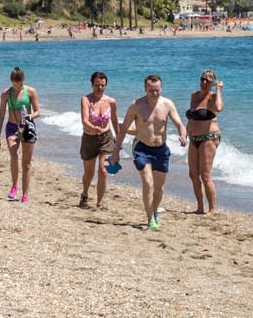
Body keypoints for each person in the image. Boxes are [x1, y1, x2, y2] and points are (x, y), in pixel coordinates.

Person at [117, 75, 186, 230]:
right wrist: (116, 151)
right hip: (142, 148)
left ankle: (155, 211)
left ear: (161, 88)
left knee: (159, 188)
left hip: (161, 150)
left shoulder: (167, 104)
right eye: (151, 90)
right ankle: (150, 220)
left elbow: (180, 124)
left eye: (157, 90)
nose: (154, 93)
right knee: (148, 183)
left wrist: (183, 135)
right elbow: (123, 129)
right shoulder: (136, 105)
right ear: (145, 89)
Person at [0, 67, 40, 203]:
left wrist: (29, 116)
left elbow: (38, 112)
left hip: (27, 128)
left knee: (26, 163)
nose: (17, 87)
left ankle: (25, 194)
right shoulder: (6, 94)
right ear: (11, 81)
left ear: (23, 81)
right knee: (13, 155)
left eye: (19, 85)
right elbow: (1, 116)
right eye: (14, 85)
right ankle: (14, 186)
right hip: (12, 127)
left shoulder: (30, 92)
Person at [77, 71, 118, 210]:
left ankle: (100, 202)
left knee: (104, 170)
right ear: (92, 84)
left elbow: (114, 120)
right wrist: (93, 128)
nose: (100, 88)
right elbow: (84, 120)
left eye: (102, 85)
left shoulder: (111, 102)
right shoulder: (86, 99)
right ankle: (84, 194)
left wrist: (119, 138)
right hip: (89, 138)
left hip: (106, 138)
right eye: (97, 85)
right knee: (89, 173)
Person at [185, 70, 223, 215]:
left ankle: (212, 209)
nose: (204, 82)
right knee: (193, 174)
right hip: (193, 138)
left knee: (205, 175)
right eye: (202, 79)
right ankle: (200, 207)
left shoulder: (213, 97)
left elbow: (219, 108)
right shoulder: (194, 95)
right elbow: (191, 117)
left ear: (212, 83)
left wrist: (218, 90)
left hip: (209, 138)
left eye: (208, 80)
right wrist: (185, 133)